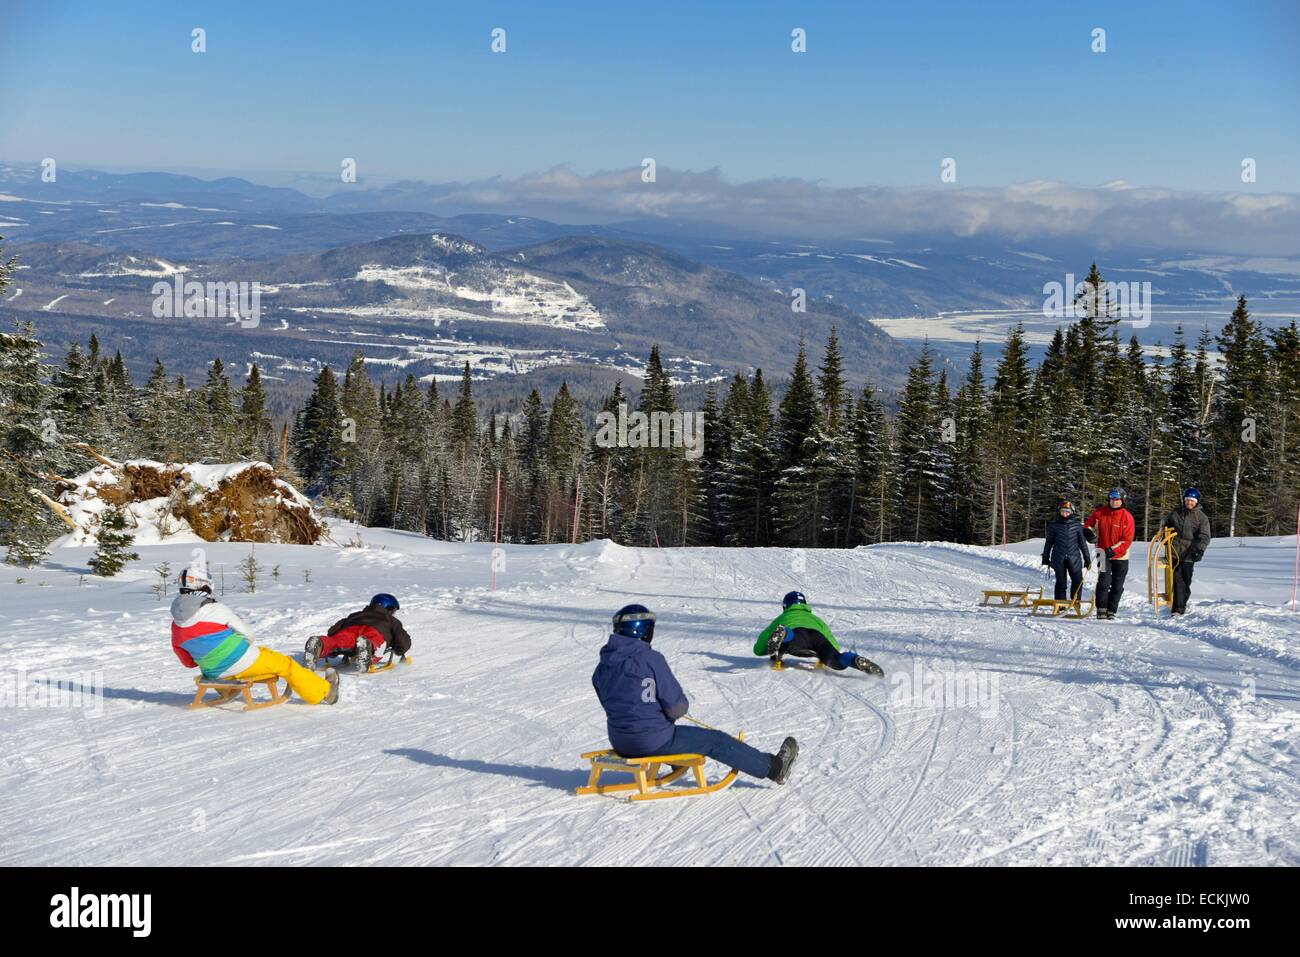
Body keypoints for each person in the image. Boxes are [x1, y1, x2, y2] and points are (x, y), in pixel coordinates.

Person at [592, 604, 799, 784]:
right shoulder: (650, 659)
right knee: (716, 741)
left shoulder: (602, 666)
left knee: (661, 728)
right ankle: (775, 768)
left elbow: (613, 704)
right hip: (652, 741)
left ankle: (674, 759)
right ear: (645, 632)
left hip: (620, 741)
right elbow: (677, 707)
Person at [170, 566, 338, 705]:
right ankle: (325, 691)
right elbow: (249, 634)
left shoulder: (176, 625)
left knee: (214, 663)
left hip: (214, 674)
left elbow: (188, 662)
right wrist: (244, 648)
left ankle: (227, 689)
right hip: (245, 662)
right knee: (287, 665)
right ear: (205, 585)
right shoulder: (216, 610)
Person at [754, 591, 883, 675]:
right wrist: (831, 651)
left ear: (785, 606)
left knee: (790, 639)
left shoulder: (782, 618)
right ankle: (852, 659)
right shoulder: (817, 619)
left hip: (796, 635)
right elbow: (832, 642)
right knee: (835, 661)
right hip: (817, 637)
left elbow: (759, 648)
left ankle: (785, 633)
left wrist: (764, 650)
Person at [305, 593, 411, 670]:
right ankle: (368, 648)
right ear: (389, 608)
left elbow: (333, 630)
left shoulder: (355, 615)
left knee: (338, 640)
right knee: (376, 642)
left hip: (351, 628)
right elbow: (402, 641)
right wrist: (400, 650)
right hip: (375, 630)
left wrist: (331, 638)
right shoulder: (391, 620)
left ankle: (321, 644)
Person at [1084, 488, 1136, 620]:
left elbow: (1127, 539)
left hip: (1121, 556)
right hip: (1102, 553)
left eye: (1117, 499)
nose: (1114, 501)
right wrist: (1089, 533)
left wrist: (1113, 549)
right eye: (1112, 499)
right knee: (1104, 582)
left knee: (1117, 585)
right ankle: (1101, 609)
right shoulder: (1099, 513)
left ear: (1122, 500)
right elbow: (1088, 526)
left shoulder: (1127, 517)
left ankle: (1111, 610)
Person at [1162, 487, 1212, 615]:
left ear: (1197, 502)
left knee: (1186, 580)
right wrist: (1165, 537)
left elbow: (1205, 536)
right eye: (1187, 500)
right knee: (1177, 579)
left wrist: (1200, 550)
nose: (1189, 503)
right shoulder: (1176, 513)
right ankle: (1178, 608)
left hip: (1190, 553)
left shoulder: (1201, 517)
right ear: (1184, 500)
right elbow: (1166, 525)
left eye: (1192, 501)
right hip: (1175, 551)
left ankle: (1181, 603)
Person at [1042, 499, 1092, 602]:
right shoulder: (1054, 526)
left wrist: (1087, 559)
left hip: (1074, 558)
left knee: (1078, 581)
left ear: (1072, 512)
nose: (1065, 514)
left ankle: (1076, 602)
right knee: (1061, 582)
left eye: (1067, 512)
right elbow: (1048, 543)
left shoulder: (1078, 526)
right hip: (1058, 558)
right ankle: (1060, 605)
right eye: (1063, 511)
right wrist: (1045, 557)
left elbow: (1083, 544)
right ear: (1059, 512)